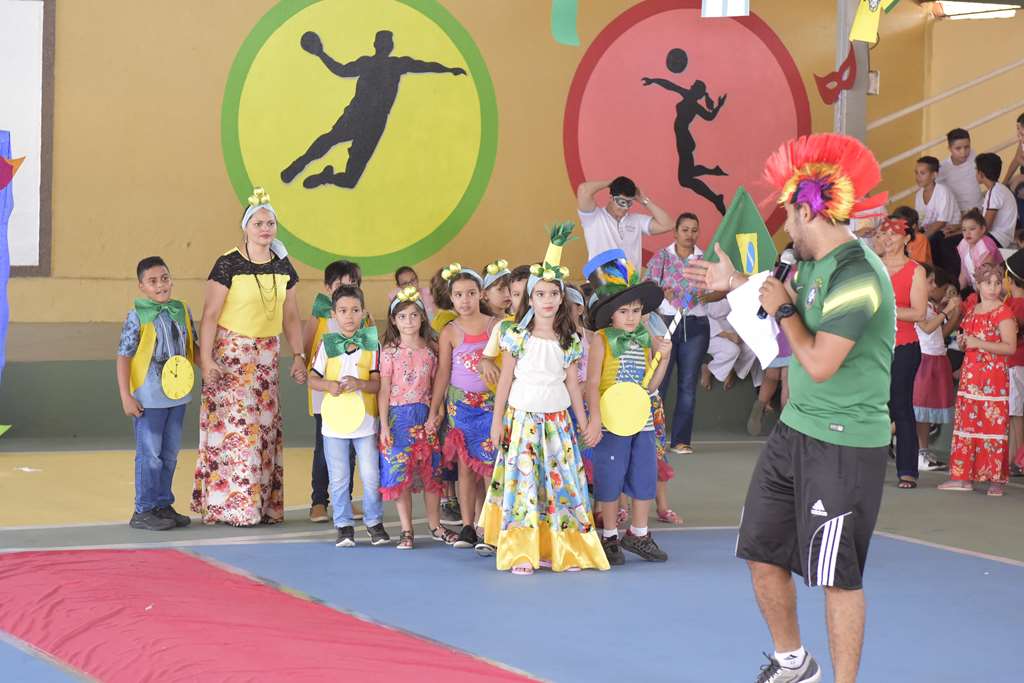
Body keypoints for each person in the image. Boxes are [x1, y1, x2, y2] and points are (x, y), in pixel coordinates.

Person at [686, 133, 895, 683]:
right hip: (795, 430)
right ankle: (793, 663)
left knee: (836, 577)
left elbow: (819, 360)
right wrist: (736, 285)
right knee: (760, 549)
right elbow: (788, 328)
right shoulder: (810, 267)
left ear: (808, 212)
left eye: (788, 217)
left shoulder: (858, 274)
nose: (786, 229)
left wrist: (782, 310)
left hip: (845, 442)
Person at [481, 226, 608, 574]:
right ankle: (522, 552)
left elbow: (573, 386)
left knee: (561, 485)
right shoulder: (515, 335)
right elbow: (505, 380)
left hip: (557, 423)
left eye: (554, 293)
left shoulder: (569, 340)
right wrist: (496, 422)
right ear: (530, 299)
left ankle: (562, 548)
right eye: (540, 294)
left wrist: (584, 422)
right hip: (522, 420)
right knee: (524, 486)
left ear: (562, 298)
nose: (548, 300)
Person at [192, 188, 306, 526]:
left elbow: (290, 315)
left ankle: (262, 506)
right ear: (246, 227)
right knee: (237, 431)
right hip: (232, 356)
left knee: (264, 430)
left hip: (267, 357)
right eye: (258, 223)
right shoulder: (228, 263)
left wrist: (298, 354)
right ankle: (232, 508)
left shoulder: (283, 264)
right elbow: (210, 314)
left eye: (270, 223)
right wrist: (207, 360)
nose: (265, 229)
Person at [584, 249, 672, 565]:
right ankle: (609, 535)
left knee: (645, 473)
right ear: (611, 315)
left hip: (641, 419)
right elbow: (592, 383)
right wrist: (595, 418)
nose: (632, 317)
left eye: (636, 310)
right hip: (611, 420)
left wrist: (664, 358)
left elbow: (650, 385)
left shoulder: (646, 340)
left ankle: (639, 533)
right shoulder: (602, 340)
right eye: (624, 311)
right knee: (610, 475)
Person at [116, 257, 198, 531]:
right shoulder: (137, 315)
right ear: (142, 286)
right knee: (150, 454)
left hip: (177, 394)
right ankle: (144, 509)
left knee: (170, 453)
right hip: (148, 398)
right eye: (152, 281)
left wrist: (209, 367)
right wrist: (126, 396)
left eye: (164, 278)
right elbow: (124, 357)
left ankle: (163, 504)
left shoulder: (182, 310)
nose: (161, 285)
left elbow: (193, 347)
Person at [307, 285, 390, 546]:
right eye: (343, 311)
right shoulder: (327, 344)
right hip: (334, 423)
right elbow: (312, 379)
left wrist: (361, 384)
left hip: (365, 423)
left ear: (363, 312)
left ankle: (374, 522)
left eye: (355, 310)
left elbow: (377, 384)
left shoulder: (372, 344)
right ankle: (343, 525)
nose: (349, 316)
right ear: (333, 314)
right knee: (339, 477)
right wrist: (328, 385)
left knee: (371, 475)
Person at [378, 286, 457, 548]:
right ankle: (406, 529)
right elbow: (384, 390)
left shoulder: (431, 351)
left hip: (425, 415)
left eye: (414, 315)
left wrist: (438, 412)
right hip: (397, 418)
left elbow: (438, 386)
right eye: (402, 316)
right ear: (393, 320)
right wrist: (384, 426)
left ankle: (435, 525)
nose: (409, 321)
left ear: (422, 317)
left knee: (431, 472)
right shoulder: (389, 353)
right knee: (400, 472)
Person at [427, 264, 498, 550]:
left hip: (491, 405)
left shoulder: (495, 326)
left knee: (490, 466)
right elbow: (443, 372)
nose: (465, 300)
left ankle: (490, 525)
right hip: (461, 407)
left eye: (470, 293)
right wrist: (435, 408)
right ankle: (468, 526)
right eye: (458, 295)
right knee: (466, 467)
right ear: (451, 298)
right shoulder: (450, 331)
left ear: (481, 294)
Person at [939, 262, 1017, 496]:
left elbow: (1010, 347)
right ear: (978, 285)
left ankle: (995, 480)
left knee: (993, 426)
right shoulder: (973, 310)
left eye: (997, 283)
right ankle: (963, 478)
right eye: (988, 283)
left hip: (993, 379)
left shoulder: (1004, 312)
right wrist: (964, 344)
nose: (993, 288)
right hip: (971, 376)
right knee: (967, 425)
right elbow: (968, 341)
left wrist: (978, 343)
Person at [302, 260, 368, 523]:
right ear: (328, 288)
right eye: (340, 284)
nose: (346, 288)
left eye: (352, 284)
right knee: (324, 448)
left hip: (354, 394)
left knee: (350, 449)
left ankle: (346, 500)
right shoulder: (319, 315)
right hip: (325, 394)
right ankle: (319, 501)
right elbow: (306, 346)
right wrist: (302, 368)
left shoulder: (362, 317)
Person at [643, 212, 711, 454]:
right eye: (685, 230)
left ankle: (681, 440)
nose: (690, 235)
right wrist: (662, 292)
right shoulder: (662, 257)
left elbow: (719, 290)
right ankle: (652, 438)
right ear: (675, 232)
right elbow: (648, 286)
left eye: (694, 230)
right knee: (659, 382)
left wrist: (707, 295)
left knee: (688, 385)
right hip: (665, 324)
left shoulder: (705, 259)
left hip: (695, 324)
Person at [876, 217, 927, 489]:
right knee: (871, 405)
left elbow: (919, 312)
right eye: (883, 233)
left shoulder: (915, 270)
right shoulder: (873, 266)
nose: (887, 238)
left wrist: (887, 310)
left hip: (904, 346)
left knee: (900, 405)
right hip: (873, 346)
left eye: (893, 234)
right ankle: (866, 466)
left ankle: (907, 470)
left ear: (907, 238)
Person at [913, 264, 960, 471]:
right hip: (925, 359)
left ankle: (923, 452)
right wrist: (947, 311)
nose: (933, 286)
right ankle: (917, 451)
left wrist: (952, 311)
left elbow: (940, 333)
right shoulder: (919, 305)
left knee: (924, 411)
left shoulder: (931, 306)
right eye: (930, 281)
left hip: (936, 357)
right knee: (918, 408)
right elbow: (927, 328)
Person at [576, 176, 674, 268]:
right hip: (600, 279)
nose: (625, 208)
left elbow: (668, 225)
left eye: (629, 203)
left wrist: (645, 201)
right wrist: (614, 183)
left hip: (632, 280)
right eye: (622, 202)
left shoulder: (637, 221)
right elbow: (583, 190)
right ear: (611, 198)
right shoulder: (594, 217)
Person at [914, 156, 959, 273]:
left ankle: (938, 275)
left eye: (922, 173)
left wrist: (922, 238)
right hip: (930, 231)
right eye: (916, 173)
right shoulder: (918, 194)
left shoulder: (943, 191)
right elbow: (919, 222)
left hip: (947, 230)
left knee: (932, 242)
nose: (918, 177)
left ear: (934, 175)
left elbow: (941, 222)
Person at [1005, 251, 1024, 476]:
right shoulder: (1013, 302)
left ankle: (1019, 459)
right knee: (1014, 413)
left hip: (1016, 362)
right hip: (1017, 362)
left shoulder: (1016, 305)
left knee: (1017, 413)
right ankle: (1012, 458)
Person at [977, 152, 1018, 248]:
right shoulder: (1001, 189)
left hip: (997, 239)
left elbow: (986, 226)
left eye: (976, 170)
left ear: (981, 174)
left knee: (954, 242)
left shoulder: (994, 192)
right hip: (1004, 239)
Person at [957, 208, 1003, 293]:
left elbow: (985, 276)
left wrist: (976, 297)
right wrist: (959, 293)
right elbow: (963, 273)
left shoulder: (985, 245)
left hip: (993, 289)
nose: (967, 233)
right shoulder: (964, 244)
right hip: (976, 288)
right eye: (964, 230)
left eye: (972, 229)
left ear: (982, 229)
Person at [938, 128, 983, 215]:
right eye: (958, 148)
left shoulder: (973, 155)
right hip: (959, 213)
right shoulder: (943, 168)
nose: (963, 152)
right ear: (949, 148)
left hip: (979, 209)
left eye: (967, 147)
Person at [1000, 112, 1024, 188]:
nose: (1018, 135)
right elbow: (1016, 160)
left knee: (1016, 184)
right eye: (1017, 129)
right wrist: (1004, 183)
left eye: (1022, 134)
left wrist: (1020, 160)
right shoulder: (1022, 141)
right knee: (1009, 184)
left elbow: (1019, 159)